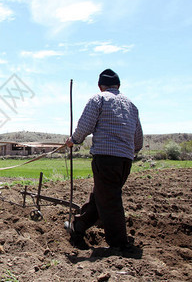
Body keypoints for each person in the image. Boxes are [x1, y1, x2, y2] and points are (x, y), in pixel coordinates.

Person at [64, 69, 143, 250]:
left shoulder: (98, 99)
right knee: (103, 196)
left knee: (110, 200)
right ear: (118, 85)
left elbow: (85, 125)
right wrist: (131, 151)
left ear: (100, 86)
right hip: (125, 161)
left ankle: (119, 244)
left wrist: (73, 141)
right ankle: (79, 227)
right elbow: (138, 139)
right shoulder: (131, 105)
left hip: (106, 160)